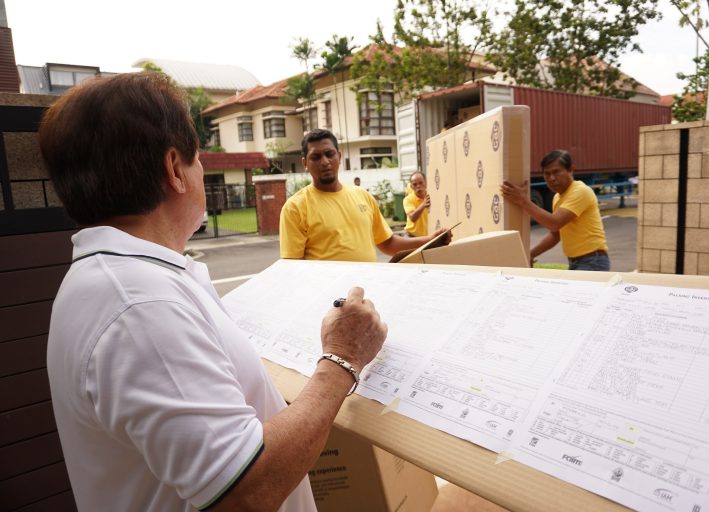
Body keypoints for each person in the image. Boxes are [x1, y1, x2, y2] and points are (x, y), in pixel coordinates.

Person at [39, 73, 388, 512]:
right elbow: (244, 490)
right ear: (174, 170)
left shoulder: (131, 281)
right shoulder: (140, 307)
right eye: (197, 158)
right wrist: (342, 359)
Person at [279, 129, 450, 261]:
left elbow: (388, 244)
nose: (324, 161)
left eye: (329, 154)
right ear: (305, 163)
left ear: (339, 156)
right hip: (330, 302)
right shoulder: (296, 208)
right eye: (316, 157)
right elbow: (293, 266)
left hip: (366, 294)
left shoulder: (362, 196)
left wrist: (430, 240)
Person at [500, 149, 610, 271]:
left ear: (571, 170)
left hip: (592, 261)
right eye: (547, 174)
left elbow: (554, 223)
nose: (551, 178)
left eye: (556, 172)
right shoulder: (558, 197)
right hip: (577, 262)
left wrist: (523, 201)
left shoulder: (580, 191)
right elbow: (555, 234)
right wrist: (530, 254)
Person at [403, 171, 430, 237]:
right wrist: (424, 204)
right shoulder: (408, 200)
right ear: (411, 186)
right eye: (415, 184)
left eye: (421, 183)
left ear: (426, 183)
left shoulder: (431, 196)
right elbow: (413, 217)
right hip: (411, 237)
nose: (418, 186)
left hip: (427, 237)